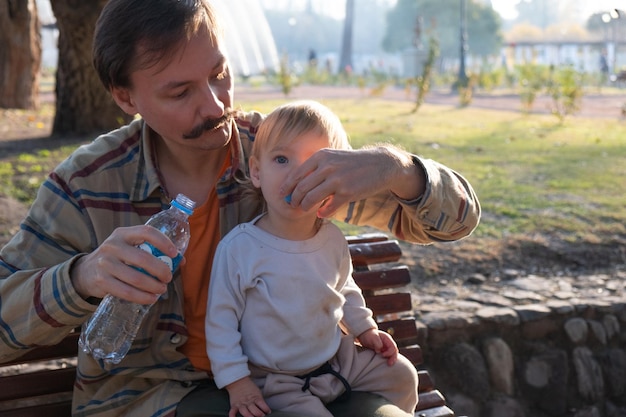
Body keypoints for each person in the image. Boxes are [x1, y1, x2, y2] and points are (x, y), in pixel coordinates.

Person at [0, 1, 480, 416]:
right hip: (156, 396)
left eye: (219, 75)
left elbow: (457, 222)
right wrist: (82, 277)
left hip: (307, 379)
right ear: (126, 97)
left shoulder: (281, 153)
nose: (214, 106)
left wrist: (398, 169)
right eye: (180, 91)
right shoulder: (87, 184)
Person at [205, 101, 418, 417]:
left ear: (335, 182)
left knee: (402, 375)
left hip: (336, 361)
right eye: (282, 159)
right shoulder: (240, 249)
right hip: (276, 378)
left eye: (314, 164)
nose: (298, 174)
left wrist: (365, 330)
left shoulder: (330, 238)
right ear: (257, 172)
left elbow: (344, 288)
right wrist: (238, 383)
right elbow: (220, 324)